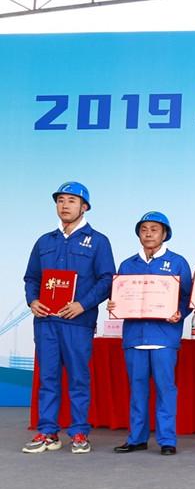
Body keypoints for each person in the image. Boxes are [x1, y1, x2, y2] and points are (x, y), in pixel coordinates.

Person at [23, 182, 115, 455]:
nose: (65, 205)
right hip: (47, 322)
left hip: (77, 322)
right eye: (61, 200)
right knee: (48, 378)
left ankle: (79, 432)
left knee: (78, 379)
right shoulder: (44, 241)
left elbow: (106, 280)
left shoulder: (98, 241)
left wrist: (82, 305)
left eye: (72, 200)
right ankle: (48, 432)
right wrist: (33, 301)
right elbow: (31, 278)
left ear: (84, 206)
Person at [109, 212, 192, 456]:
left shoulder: (177, 262)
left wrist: (180, 312)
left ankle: (167, 440)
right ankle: (137, 438)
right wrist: (114, 304)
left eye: (154, 229)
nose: (148, 234)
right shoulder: (127, 264)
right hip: (134, 337)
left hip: (164, 337)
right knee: (137, 390)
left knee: (166, 389)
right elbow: (119, 295)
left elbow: (188, 296)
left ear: (165, 234)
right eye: (144, 229)